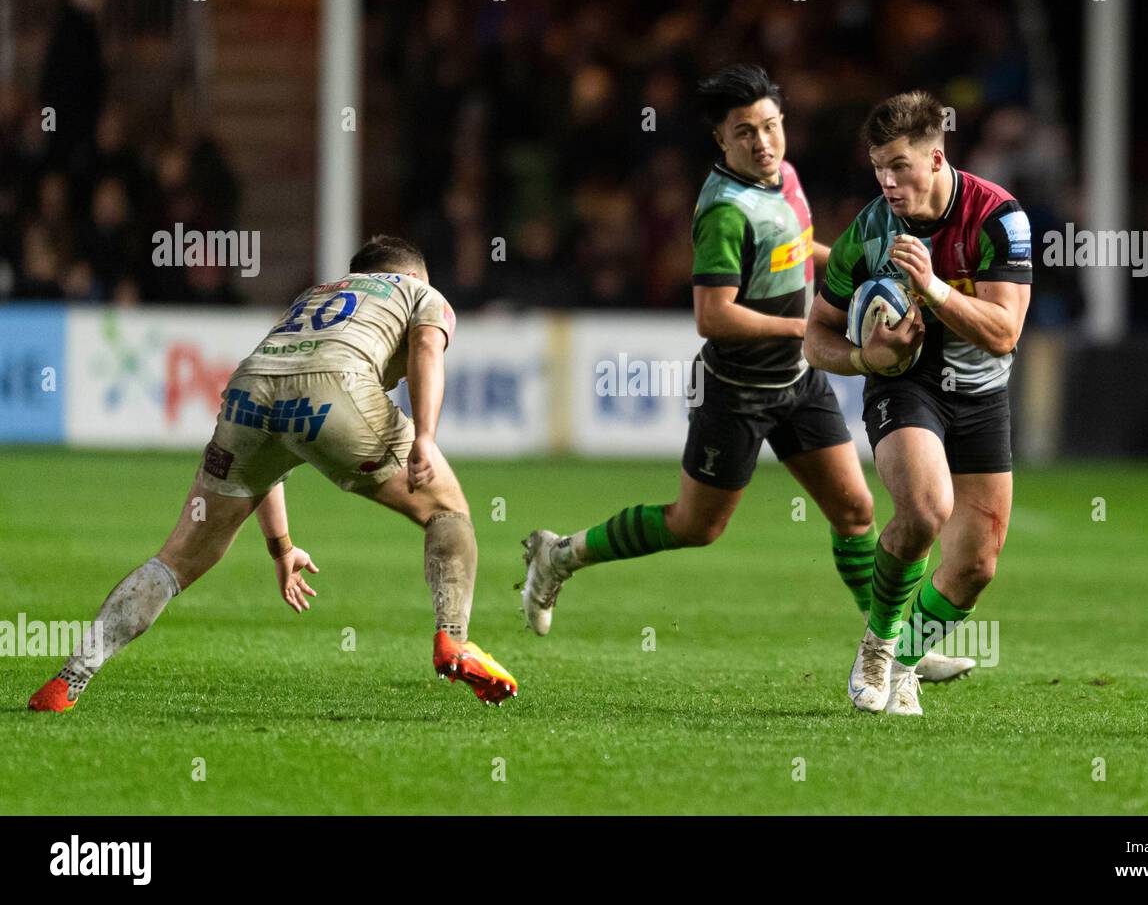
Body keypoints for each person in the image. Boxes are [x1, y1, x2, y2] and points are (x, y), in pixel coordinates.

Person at [518, 65, 973, 686]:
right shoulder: (724, 212)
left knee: (856, 510)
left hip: (797, 382)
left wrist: (856, 264)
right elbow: (713, 314)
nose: (763, 142)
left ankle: (888, 647)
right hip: (737, 389)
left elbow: (798, 247)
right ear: (721, 141)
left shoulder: (783, 177)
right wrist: (810, 332)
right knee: (695, 525)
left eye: (771, 126)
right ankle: (559, 554)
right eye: (745, 133)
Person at [29, 236, 518, 711]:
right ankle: (454, 641)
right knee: (447, 510)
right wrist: (426, 435)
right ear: (412, 274)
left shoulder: (313, 296)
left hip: (247, 389)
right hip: (339, 386)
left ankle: (70, 678)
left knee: (175, 560)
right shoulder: (419, 292)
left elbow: (273, 440)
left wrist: (281, 549)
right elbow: (428, 351)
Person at [804, 91, 1033, 716]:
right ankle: (877, 647)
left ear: (936, 157)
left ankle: (905, 664)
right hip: (908, 384)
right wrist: (864, 360)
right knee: (927, 509)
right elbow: (816, 336)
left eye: (900, 165)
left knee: (976, 565)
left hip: (983, 391)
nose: (888, 181)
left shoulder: (997, 217)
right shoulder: (869, 232)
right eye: (879, 166)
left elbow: (1005, 330)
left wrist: (931, 288)